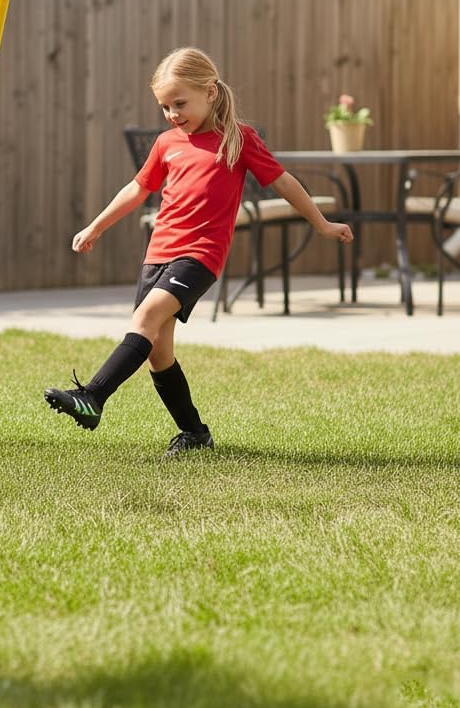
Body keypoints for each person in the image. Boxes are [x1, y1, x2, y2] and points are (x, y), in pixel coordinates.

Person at [43, 47, 353, 457]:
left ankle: (93, 397)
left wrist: (322, 223)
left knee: (146, 317)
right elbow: (138, 189)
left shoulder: (238, 139)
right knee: (157, 350)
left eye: (180, 103)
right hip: (158, 253)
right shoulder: (167, 142)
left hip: (200, 255)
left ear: (209, 93)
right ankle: (195, 434)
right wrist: (96, 225)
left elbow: (283, 182)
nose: (172, 113)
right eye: (165, 106)